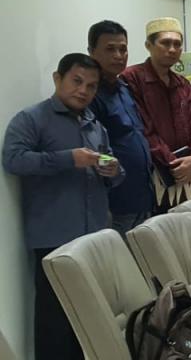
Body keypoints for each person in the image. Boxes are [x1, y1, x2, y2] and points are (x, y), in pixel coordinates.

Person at [3, 53, 123, 360]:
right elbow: (13, 160)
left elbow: (112, 169)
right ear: (58, 79)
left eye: (92, 86)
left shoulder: (94, 124)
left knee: (89, 320)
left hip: (93, 236)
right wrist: (68, 159)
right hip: (53, 238)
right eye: (77, 81)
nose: (83, 91)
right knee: (54, 323)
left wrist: (112, 171)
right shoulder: (31, 118)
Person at [120, 17, 191, 212]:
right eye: (165, 43)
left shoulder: (182, 84)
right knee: (156, 234)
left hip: (187, 174)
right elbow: (143, 127)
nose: (173, 49)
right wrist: (172, 163)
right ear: (148, 45)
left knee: (185, 231)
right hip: (152, 174)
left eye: (177, 44)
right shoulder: (131, 78)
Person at [85, 20, 154, 233]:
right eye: (110, 49)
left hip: (142, 195)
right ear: (91, 52)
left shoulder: (124, 88)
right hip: (115, 202)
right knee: (117, 264)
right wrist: (109, 166)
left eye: (123, 49)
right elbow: (92, 150)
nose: (118, 55)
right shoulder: (90, 95)